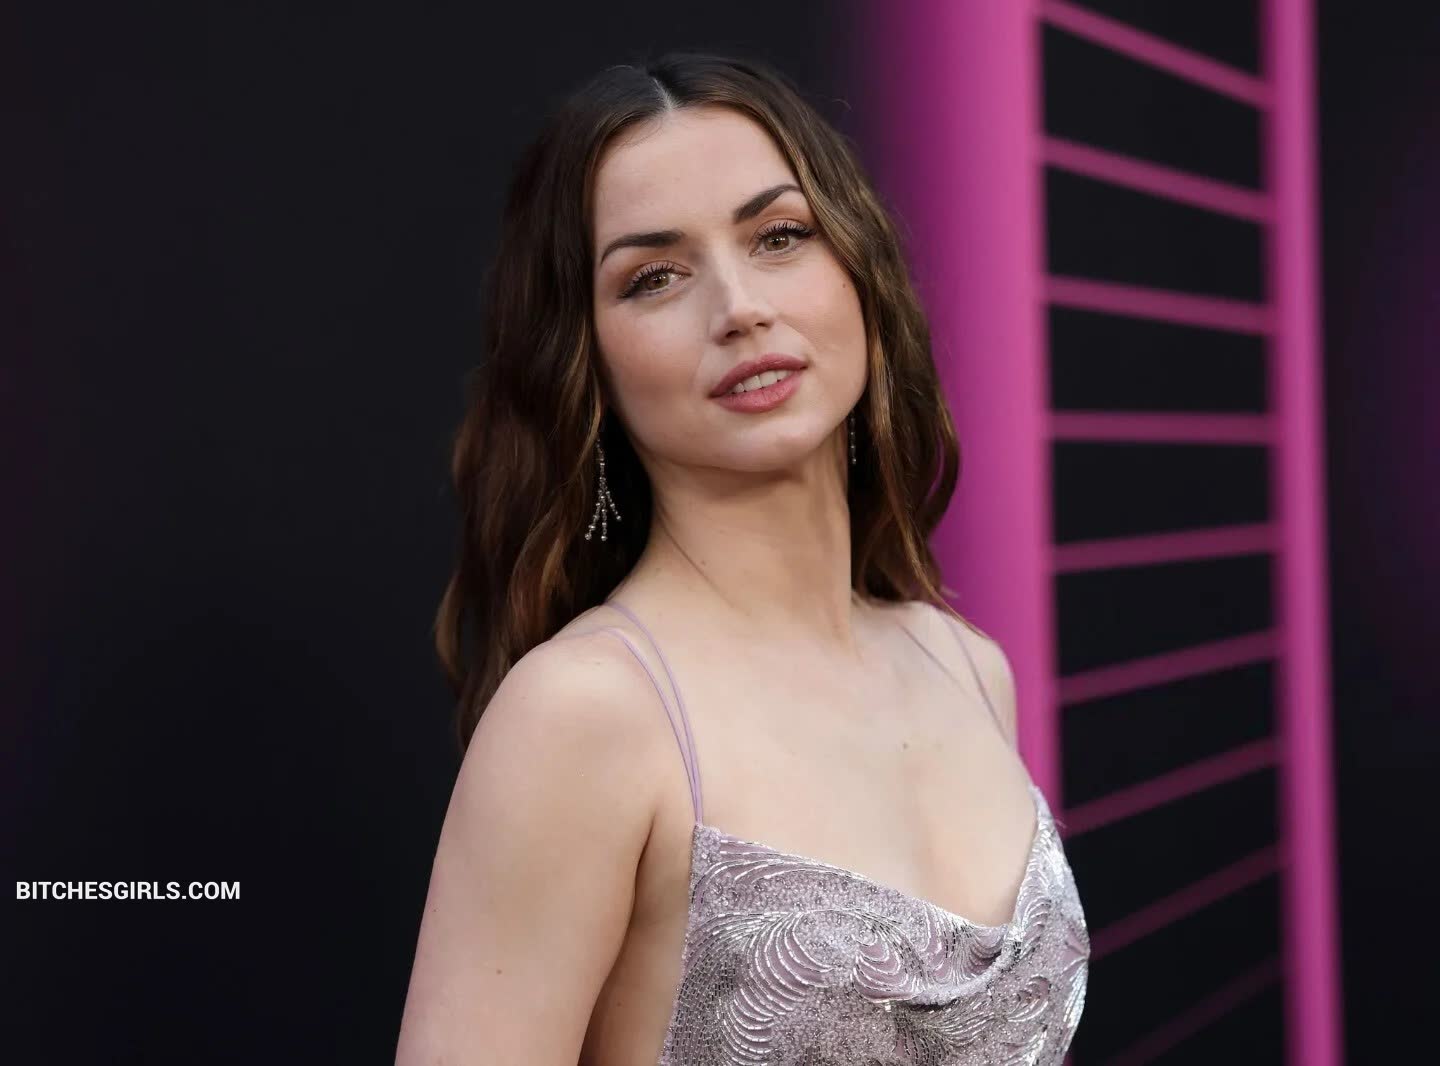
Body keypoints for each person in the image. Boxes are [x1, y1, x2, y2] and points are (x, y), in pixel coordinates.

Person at [395, 51, 1088, 1065]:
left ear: (858, 269)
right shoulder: (585, 715)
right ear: (585, 360)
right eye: (654, 277)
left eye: (780, 236)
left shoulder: (968, 666)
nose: (738, 307)